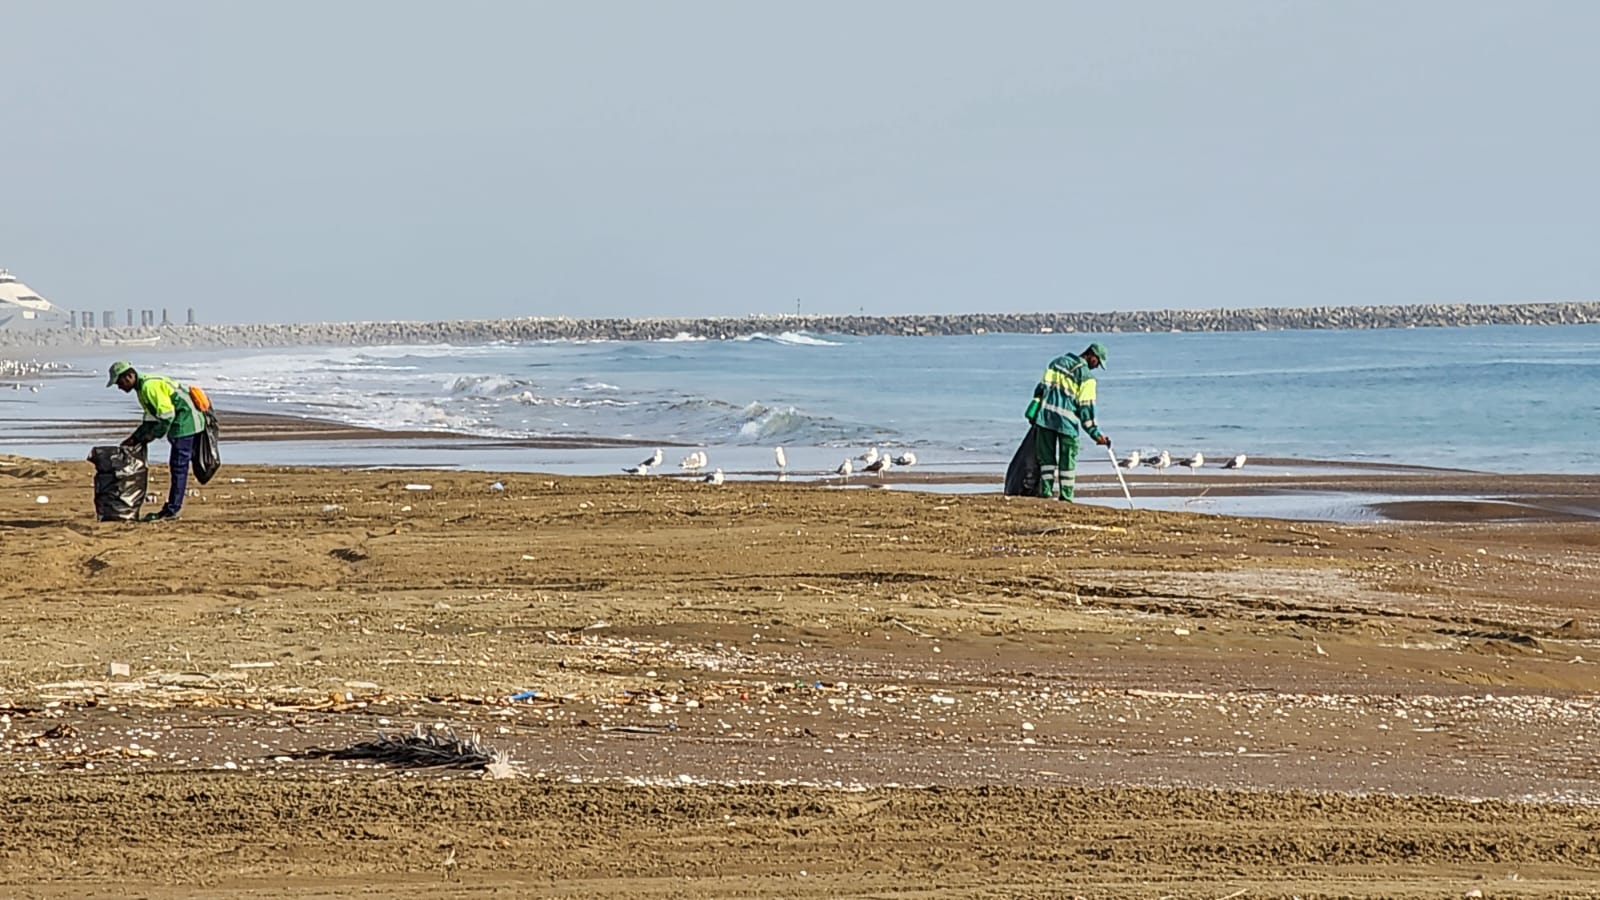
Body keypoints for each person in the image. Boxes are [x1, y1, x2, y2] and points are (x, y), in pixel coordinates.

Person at [106, 360, 206, 520]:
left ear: (129, 376)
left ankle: (172, 510)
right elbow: (150, 418)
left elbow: (167, 416)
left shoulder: (149, 387)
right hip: (180, 421)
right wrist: (135, 438)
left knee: (179, 466)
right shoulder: (141, 389)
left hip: (186, 422)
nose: (119, 387)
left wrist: (152, 435)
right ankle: (172, 507)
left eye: (119, 382)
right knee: (178, 465)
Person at [1026, 342, 1111, 501]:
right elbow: (1086, 409)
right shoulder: (1087, 377)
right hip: (1067, 422)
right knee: (1068, 460)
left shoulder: (1056, 363)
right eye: (1098, 362)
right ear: (1091, 356)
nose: (1096, 366)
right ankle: (1066, 497)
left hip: (1045, 418)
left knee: (1046, 459)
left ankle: (1046, 493)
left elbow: (1041, 389)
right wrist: (1095, 434)